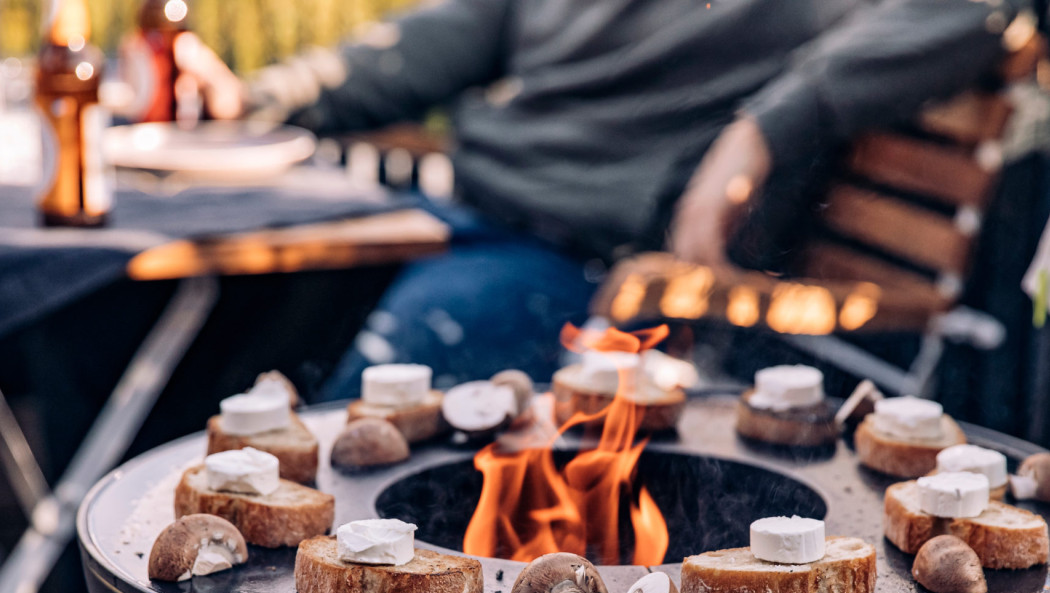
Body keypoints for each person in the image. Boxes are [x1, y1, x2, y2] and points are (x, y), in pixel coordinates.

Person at [175, 0, 1033, 397]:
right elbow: (428, 42)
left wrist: (759, 129)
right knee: (177, 320)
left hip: (579, 267)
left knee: (346, 439)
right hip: (447, 216)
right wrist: (254, 97)